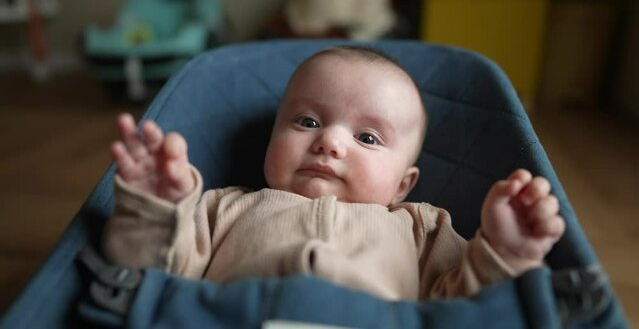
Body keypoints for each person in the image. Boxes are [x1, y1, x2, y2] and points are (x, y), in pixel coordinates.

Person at [102, 46, 565, 301]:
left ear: (404, 184)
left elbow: (466, 308)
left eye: (367, 138)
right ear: (271, 141)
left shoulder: (422, 228)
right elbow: (149, 273)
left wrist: (505, 251)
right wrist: (156, 206)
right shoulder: (223, 207)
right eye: (307, 122)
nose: (329, 142)